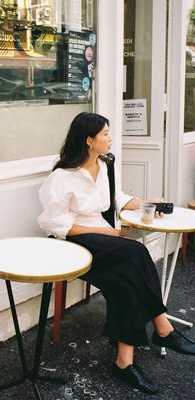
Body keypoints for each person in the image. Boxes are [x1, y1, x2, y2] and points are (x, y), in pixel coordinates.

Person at [37, 112, 195, 395]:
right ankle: (163, 329)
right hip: (73, 240)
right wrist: (108, 233)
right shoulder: (63, 176)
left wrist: (148, 202)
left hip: (101, 236)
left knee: (126, 278)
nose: (111, 138)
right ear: (89, 140)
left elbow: (118, 198)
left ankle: (125, 360)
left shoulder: (106, 165)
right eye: (106, 134)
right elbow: (55, 223)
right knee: (135, 253)